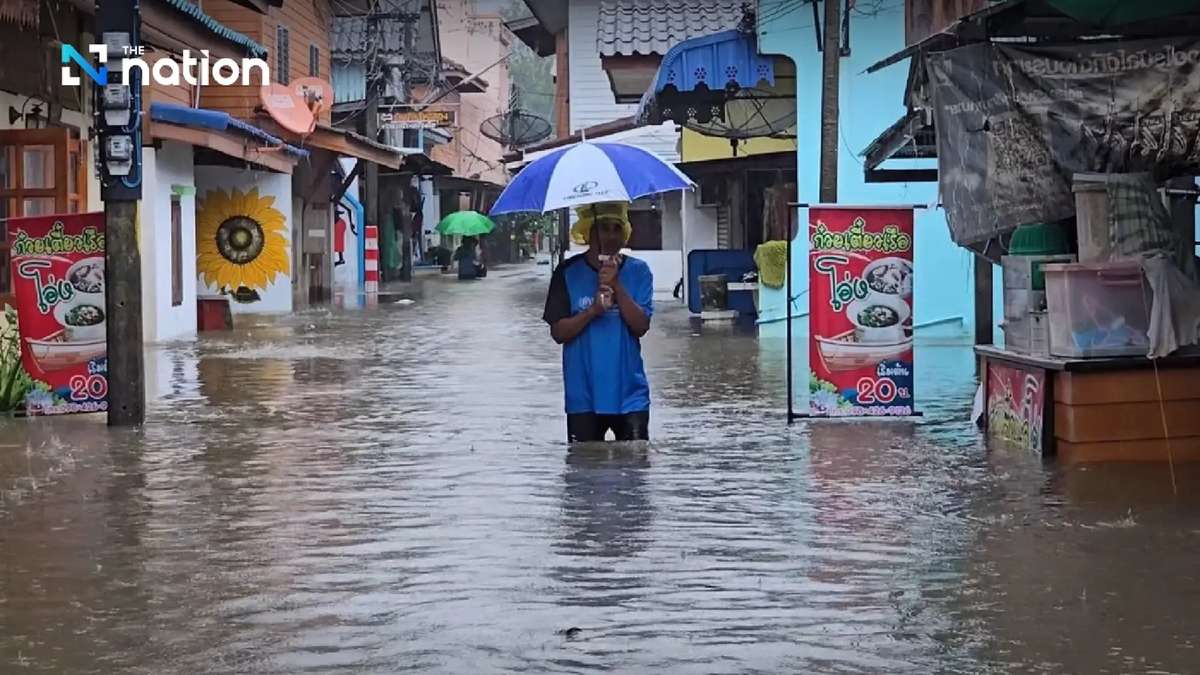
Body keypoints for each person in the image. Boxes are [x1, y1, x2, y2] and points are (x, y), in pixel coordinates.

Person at [542, 202, 654, 443]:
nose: (611, 235)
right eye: (604, 228)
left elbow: (641, 326)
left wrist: (616, 285)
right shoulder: (566, 273)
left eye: (617, 228)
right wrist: (592, 310)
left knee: (636, 462)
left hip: (630, 395)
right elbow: (559, 332)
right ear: (589, 232)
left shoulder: (639, 271)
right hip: (583, 397)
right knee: (584, 463)